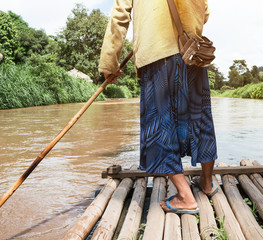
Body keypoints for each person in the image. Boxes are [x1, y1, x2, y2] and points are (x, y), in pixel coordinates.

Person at [99, 0, 217, 214]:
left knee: (161, 125)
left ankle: (184, 196)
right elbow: (205, 13)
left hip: (157, 54)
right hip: (192, 51)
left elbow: (120, 16)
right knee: (200, 120)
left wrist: (109, 63)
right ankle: (207, 183)